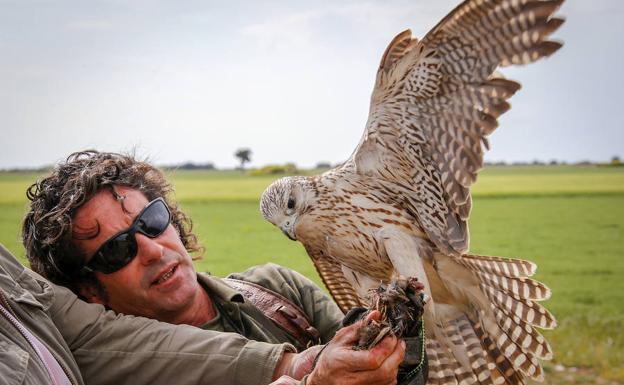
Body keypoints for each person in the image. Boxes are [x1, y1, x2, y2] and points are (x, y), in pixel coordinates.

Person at [18, 150, 405, 384]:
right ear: (87, 289)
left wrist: (400, 327)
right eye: (116, 251)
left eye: (151, 220)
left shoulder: (276, 290)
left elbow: (399, 375)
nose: (152, 250)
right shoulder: (105, 374)